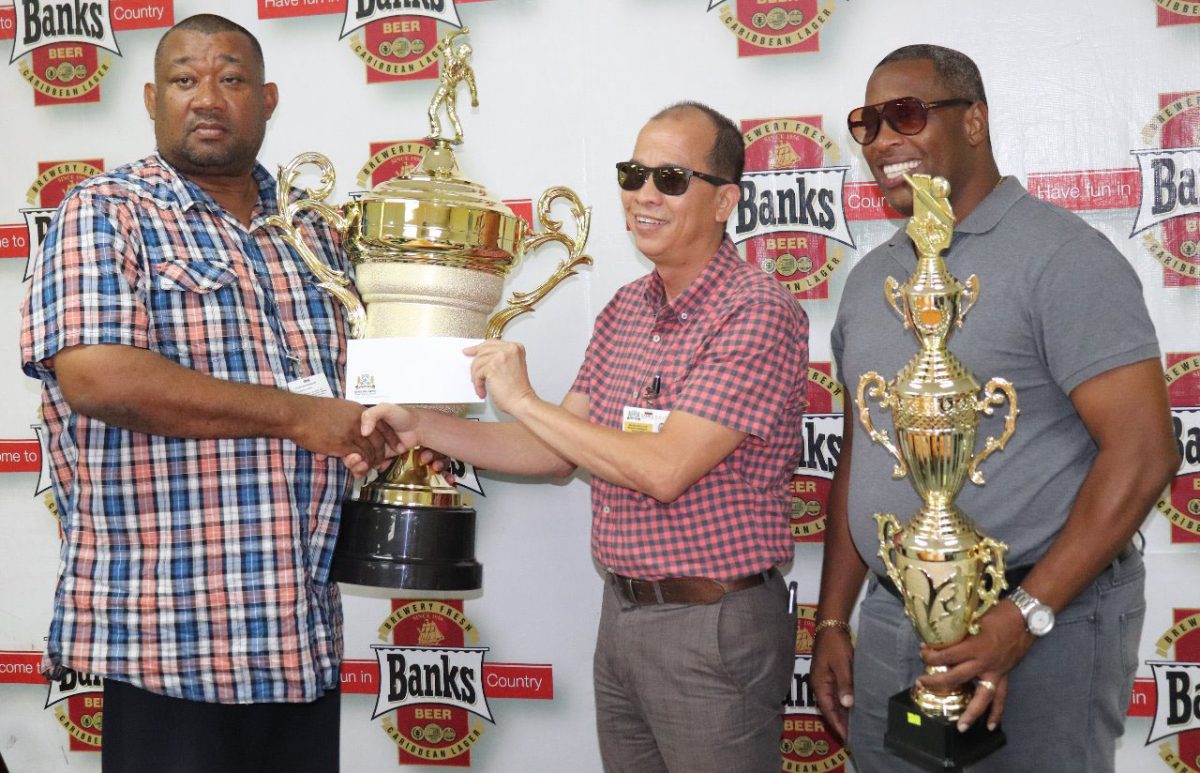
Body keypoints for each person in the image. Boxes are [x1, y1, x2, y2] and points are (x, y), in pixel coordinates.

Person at [348, 102, 809, 772]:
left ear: (724, 200)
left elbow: (663, 468)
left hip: (712, 623)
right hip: (621, 615)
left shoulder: (756, 310)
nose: (645, 195)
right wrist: (423, 424)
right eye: (634, 173)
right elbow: (555, 451)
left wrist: (525, 400)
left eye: (672, 179)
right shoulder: (625, 307)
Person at [19, 14, 394, 773]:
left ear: (269, 98)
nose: (208, 98)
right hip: (172, 639)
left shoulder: (314, 231)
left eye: (232, 78)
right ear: (153, 99)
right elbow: (98, 375)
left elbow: (365, 387)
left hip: (297, 638)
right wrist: (297, 417)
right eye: (186, 80)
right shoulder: (107, 210)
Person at [811, 44, 1179, 772]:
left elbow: (1144, 451)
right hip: (892, 618)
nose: (884, 140)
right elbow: (864, 451)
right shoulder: (872, 282)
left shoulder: (1063, 257)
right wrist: (830, 617)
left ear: (974, 120)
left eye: (906, 114)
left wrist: (1026, 614)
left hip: (1050, 621)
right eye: (867, 123)